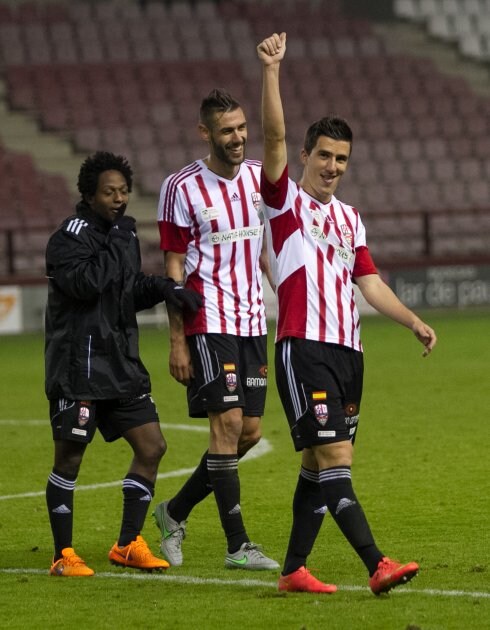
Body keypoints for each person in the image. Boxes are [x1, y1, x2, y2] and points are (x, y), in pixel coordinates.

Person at [257, 33, 437, 594]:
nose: (333, 167)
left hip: (348, 353)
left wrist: (411, 320)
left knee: (320, 464)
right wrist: (272, 71)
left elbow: (370, 282)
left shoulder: (350, 219)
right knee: (334, 453)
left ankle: (292, 571)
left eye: (342, 159)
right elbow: (274, 135)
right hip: (302, 346)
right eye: (325, 156)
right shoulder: (284, 202)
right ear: (305, 156)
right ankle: (376, 564)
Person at [44, 151, 202, 577]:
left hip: (120, 362)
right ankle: (62, 555)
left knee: (152, 446)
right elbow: (88, 284)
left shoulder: (123, 236)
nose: (120, 199)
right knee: (71, 459)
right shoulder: (69, 238)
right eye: (110, 192)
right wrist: (117, 238)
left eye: (124, 191)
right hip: (79, 367)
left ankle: (128, 543)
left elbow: (125, 291)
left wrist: (167, 288)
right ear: (88, 194)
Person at [153, 89, 279, 570]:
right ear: (205, 132)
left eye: (243, 127)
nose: (239, 137)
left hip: (251, 321)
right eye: (227, 130)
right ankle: (238, 546)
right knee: (226, 425)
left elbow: (267, 248)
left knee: (248, 432)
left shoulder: (257, 179)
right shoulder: (181, 187)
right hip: (208, 321)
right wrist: (177, 339)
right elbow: (174, 266)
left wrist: (282, 297)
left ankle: (174, 511)